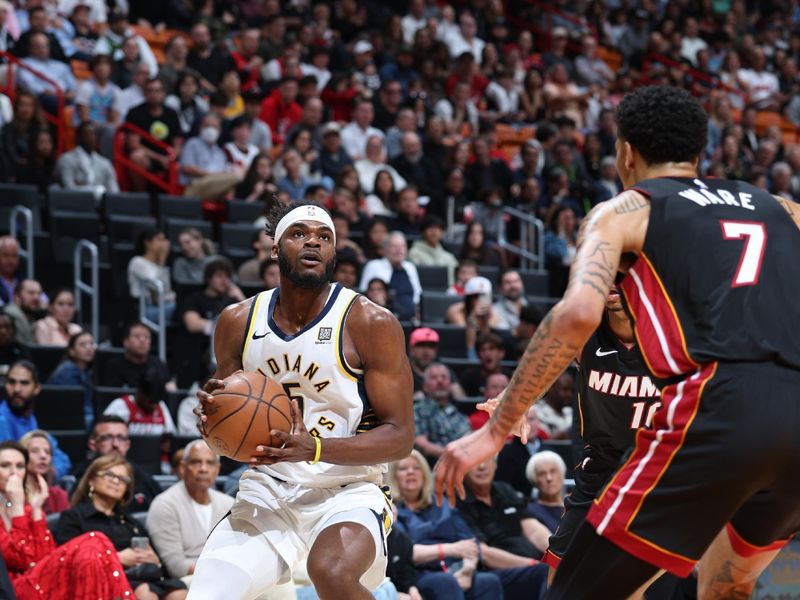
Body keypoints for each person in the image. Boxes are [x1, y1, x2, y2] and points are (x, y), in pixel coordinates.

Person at [436, 85, 800, 599]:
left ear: (626, 152)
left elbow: (577, 312)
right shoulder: (782, 209)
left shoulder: (627, 208)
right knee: (729, 589)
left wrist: (495, 428)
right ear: (700, 153)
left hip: (720, 409)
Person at [190, 200, 414, 600]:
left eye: (324, 237)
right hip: (268, 491)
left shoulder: (369, 322)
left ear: (333, 252)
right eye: (299, 234)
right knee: (207, 594)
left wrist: (312, 449)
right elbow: (229, 431)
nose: (313, 242)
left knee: (331, 572)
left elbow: (400, 438)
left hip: (348, 489)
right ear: (275, 250)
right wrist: (211, 422)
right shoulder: (237, 321)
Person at [390, 450, 547, 600]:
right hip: (420, 572)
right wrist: (450, 549)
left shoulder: (442, 504)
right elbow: (404, 552)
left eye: (416, 468)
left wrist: (468, 570)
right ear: (394, 476)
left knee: (488, 581)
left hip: (458, 568)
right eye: (403, 468)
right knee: (445, 582)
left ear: (424, 473)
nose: (411, 472)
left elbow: (471, 543)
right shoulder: (392, 510)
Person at [0, 441, 134, 599]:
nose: (14, 473)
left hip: (41, 584)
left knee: (96, 545)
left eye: (20, 466)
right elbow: (20, 560)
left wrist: (36, 511)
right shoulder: (19, 509)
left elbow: (45, 558)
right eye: (5, 465)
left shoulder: (28, 509)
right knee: (95, 539)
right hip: (12, 589)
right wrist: (16, 509)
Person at [56, 455, 188, 599]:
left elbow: (158, 563)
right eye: (109, 475)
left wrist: (154, 560)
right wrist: (116, 558)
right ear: (92, 480)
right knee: (144, 592)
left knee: (178, 592)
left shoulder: (131, 522)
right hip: (100, 581)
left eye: (123, 479)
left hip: (140, 576)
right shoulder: (74, 517)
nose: (116, 481)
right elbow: (68, 561)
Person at [147, 441, 233, 581]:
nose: (203, 468)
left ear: (217, 469)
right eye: (196, 462)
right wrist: (223, 571)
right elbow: (176, 567)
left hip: (228, 574)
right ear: (182, 467)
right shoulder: (164, 505)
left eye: (210, 463)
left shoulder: (229, 504)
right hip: (188, 579)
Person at [71, 416, 162, 511]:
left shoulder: (143, 478)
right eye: (107, 438)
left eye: (121, 438)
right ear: (93, 445)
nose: (115, 444)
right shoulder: (82, 476)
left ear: (128, 445)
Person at [0, 362, 70, 477]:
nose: (17, 389)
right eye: (12, 382)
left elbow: (63, 460)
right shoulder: (1, 420)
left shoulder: (31, 420)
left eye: (24, 383)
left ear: (37, 388)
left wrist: (47, 471)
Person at [413, 363, 472, 467]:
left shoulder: (461, 416)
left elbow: (469, 444)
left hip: (461, 467)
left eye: (444, 377)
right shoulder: (417, 410)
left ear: (450, 384)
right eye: (434, 377)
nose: (440, 381)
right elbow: (421, 444)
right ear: (425, 386)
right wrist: (452, 455)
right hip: (431, 467)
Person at [359, 232, 422, 322]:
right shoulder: (374, 265)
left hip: (412, 320)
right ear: (385, 249)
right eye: (394, 246)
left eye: (402, 246)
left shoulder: (410, 267)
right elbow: (363, 295)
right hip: (382, 319)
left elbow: (418, 297)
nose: (399, 250)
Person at [103, 368, 176, 436]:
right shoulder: (120, 405)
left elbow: (171, 436)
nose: (154, 406)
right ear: (140, 393)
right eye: (151, 402)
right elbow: (104, 434)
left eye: (157, 402)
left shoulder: (160, 405)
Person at [101, 321, 174, 390]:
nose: (142, 340)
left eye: (146, 337)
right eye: (137, 336)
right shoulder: (114, 365)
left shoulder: (158, 364)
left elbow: (169, 386)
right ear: (126, 342)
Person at [54, 121, 119, 196]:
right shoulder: (66, 159)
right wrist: (94, 191)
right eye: (87, 134)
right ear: (78, 138)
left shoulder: (105, 163)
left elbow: (114, 192)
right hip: (73, 205)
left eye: (94, 134)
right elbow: (68, 189)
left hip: (101, 206)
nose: (92, 137)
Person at [46, 331, 96, 428]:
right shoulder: (68, 370)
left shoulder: (87, 372)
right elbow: (74, 405)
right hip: (64, 419)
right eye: (83, 344)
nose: (89, 348)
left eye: (91, 343)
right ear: (72, 351)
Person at [127, 229, 177, 324]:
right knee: (181, 308)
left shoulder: (160, 266)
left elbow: (166, 290)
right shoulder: (138, 262)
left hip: (163, 305)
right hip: (146, 308)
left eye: (165, 239)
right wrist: (162, 260)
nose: (164, 243)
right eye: (160, 239)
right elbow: (156, 286)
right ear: (148, 242)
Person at [18, 430, 69, 515]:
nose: (43, 456)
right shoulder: (12, 495)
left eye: (47, 452)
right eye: (35, 451)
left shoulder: (59, 495)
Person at [407, 216, 460, 287]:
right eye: (431, 228)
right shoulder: (413, 253)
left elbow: (454, 281)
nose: (434, 232)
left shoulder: (449, 257)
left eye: (438, 228)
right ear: (423, 231)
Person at [524, 451, 566, 534]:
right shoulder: (529, 512)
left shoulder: (576, 504)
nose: (549, 478)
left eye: (553, 471)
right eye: (542, 474)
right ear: (534, 480)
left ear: (562, 474)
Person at [3, 280, 44, 346]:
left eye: (39, 294)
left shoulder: (34, 317)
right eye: (31, 293)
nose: (36, 297)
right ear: (17, 296)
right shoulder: (8, 317)